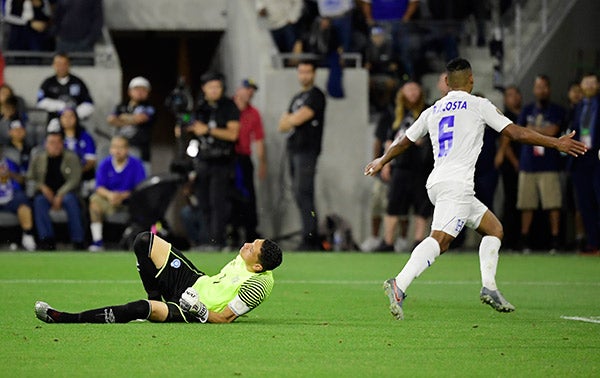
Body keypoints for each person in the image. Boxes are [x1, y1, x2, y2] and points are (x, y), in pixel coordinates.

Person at [364, 58, 587, 320]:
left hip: (439, 182)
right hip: (456, 185)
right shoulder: (479, 105)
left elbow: (405, 141)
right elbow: (514, 133)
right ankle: (399, 284)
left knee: (494, 229)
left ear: (446, 83)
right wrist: (555, 143)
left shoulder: (433, 110)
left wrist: (382, 159)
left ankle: (489, 287)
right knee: (441, 240)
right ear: (471, 80)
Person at [35, 232, 283, 324]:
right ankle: (155, 297)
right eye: (253, 241)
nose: (246, 244)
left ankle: (64, 318)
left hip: (191, 310)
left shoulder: (259, 284)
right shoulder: (250, 259)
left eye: (252, 247)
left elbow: (226, 319)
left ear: (258, 266)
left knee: (138, 309)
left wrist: (200, 310)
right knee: (145, 241)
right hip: (194, 282)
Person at [185, 72, 240, 249]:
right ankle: (207, 239)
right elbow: (190, 126)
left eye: (217, 87)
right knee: (203, 201)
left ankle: (218, 240)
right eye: (211, 87)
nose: (214, 90)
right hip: (203, 160)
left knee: (218, 202)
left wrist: (208, 130)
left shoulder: (229, 106)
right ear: (204, 88)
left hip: (222, 161)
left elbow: (233, 134)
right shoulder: (200, 108)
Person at [377, 82, 432, 252]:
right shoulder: (393, 112)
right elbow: (388, 139)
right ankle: (388, 242)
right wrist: (385, 163)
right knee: (393, 205)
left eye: (416, 89)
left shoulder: (428, 111)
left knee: (421, 206)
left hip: (422, 167)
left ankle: (418, 242)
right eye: (409, 89)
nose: (413, 93)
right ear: (402, 92)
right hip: (400, 166)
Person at [278, 60, 326, 250]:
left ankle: (311, 237)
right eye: (301, 72)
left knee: (304, 192)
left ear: (314, 74)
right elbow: (282, 125)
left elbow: (298, 118)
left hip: (307, 150)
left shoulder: (316, 95)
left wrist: (291, 120)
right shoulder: (297, 97)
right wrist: (291, 120)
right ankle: (308, 234)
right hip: (293, 150)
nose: (304, 76)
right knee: (298, 193)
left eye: (308, 72)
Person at [516, 75, 566, 253]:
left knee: (552, 204)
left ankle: (555, 240)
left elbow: (553, 131)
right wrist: (539, 131)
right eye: (538, 87)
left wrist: (531, 130)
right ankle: (524, 240)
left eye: (545, 87)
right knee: (526, 204)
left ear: (549, 89)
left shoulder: (557, 110)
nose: (542, 90)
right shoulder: (527, 109)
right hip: (528, 164)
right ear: (534, 89)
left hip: (549, 164)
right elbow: (518, 132)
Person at [88, 136, 146, 251]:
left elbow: (140, 188)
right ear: (110, 149)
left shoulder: (136, 164)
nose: (117, 150)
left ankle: (136, 241)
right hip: (109, 200)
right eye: (114, 147)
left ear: (127, 149)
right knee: (94, 201)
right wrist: (110, 195)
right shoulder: (105, 164)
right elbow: (99, 187)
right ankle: (97, 241)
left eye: (121, 147)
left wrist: (122, 196)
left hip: (129, 202)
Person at [27, 132, 84, 250]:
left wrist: (60, 194)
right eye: (52, 143)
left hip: (67, 193)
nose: (56, 146)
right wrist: (42, 187)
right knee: (39, 202)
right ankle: (46, 240)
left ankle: (78, 240)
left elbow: (75, 179)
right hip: (45, 194)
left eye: (59, 142)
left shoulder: (71, 157)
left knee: (70, 200)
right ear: (46, 145)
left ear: (63, 144)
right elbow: (30, 178)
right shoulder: (38, 158)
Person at [230, 79, 267, 244]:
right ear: (239, 90)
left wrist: (262, 162)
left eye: (252, 90)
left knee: (248, 197)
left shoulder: (254, 113)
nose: (249, 93)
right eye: (247, 89)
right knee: (229, 196)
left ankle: (250, 230)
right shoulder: (228, 107)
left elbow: (259, 139)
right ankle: (232, 230)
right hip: (227, 158)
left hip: (244, 159)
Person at [569, 73, 600, 255]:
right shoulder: (578, 107)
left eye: (592, 82)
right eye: (585, 82)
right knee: (584, 203)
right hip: (580, 157)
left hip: (597, 157)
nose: (588, 85)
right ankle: (593, 244)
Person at [494, 85, 522, 250]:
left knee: (522, 203)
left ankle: (519, 238)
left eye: (515, 94)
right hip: (512, 166)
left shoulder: (524, 113)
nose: (513, 98)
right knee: (510, 201)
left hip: (525, 164)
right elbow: (505, 141)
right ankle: (509, 240)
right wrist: (514, 162)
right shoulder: (505, 116)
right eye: (509, 95)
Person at [107, 76, 156, 169]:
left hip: (140, 149)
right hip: (120, 149)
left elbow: (141, 119)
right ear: (129, 91)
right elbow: (111, 120)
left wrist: (122, 118)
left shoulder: (150, 107)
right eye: (137, 89)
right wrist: (132, 120)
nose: (140, 92)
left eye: (143, 90)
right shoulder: (122, 106)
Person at [36, 53, 95, 123]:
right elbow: (40, 102)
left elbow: (89, 103)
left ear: (69, 65)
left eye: (64, 64)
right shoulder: (48, 83)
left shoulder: (78, 82)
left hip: (75, 123)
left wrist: (73, 114)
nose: (61, 67)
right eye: (58, 64)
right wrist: (60, 106)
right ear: (53, 65)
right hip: (54, 123)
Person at [51, 107, 97, 182]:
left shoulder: (86, 137)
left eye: (71, 116)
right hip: (60, 176)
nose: (67, 119)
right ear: (60, 119)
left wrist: (77, 172)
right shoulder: (54, 138)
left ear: (76, 118)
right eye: (64, 116)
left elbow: (91, 161)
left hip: (83, 175)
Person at [0, 157, 36, 251]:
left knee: (22, 200)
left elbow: (23, 180)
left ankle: (28, 235)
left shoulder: (10, 163)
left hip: (11, 195)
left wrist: (10, 174)